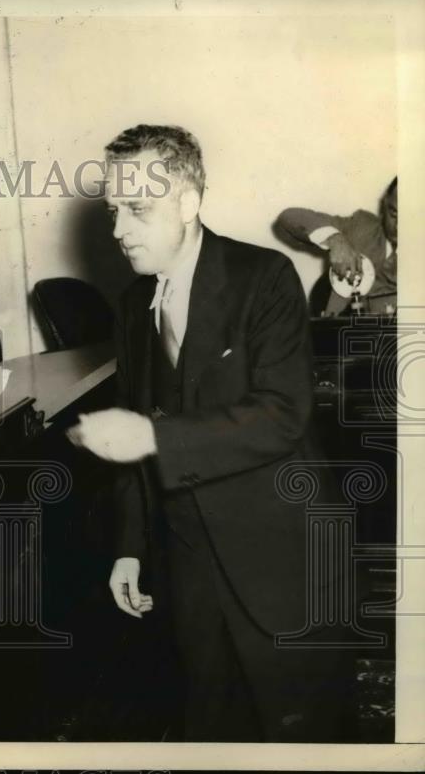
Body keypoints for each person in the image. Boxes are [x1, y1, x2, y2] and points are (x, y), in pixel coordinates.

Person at [67, 125, 347, 742]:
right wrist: (130, 548)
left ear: (189, 203)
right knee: (210, 725)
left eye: (137, 209)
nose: (118, 230)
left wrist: (152, 439)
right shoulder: (132, 305)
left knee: (302, 733)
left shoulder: (264, 277)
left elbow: (281, 415)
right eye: (115, 210)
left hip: (280, 559)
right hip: (189, 564)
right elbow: (137, 438)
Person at [275, 178, 397, 315]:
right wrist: (335, 240)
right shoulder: (363, 228)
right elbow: (290, 217)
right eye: (394, 214)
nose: (399, 226)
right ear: (385, 204)